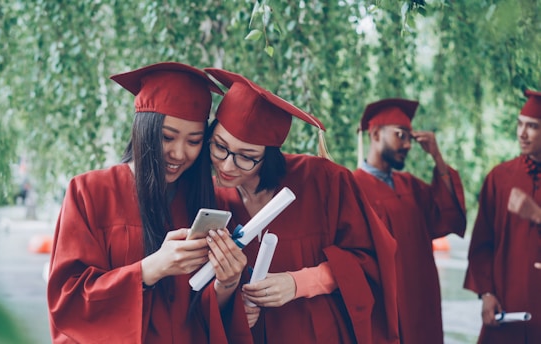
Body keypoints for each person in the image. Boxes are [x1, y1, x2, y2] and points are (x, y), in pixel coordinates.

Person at [47, 62, 252, 343]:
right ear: (144, 129)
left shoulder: (209, 203)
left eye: (194, 141)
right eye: (167, 137)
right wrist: (151, 269)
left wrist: (227, 284)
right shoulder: (89, 192)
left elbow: (206, 315)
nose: (179, 153)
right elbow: (68, 301)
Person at [204, 67, 400, 344]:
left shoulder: (324, 180)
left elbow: (370, 259)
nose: (226, 165)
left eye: (247, 157)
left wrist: (300, 283)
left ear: (269, 156)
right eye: (219, 146)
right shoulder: (210, 199)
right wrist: (232, 306)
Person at [352, 98, 467, 343]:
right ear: (375, 134)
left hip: (421, 299)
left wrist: (437, 156)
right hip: (383, 304)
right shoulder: (353, 188)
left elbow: (447, 215)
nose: (407, 145)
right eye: (400, 135)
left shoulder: (412, 186)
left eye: (409, 137)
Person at [464, 89, 541, 343]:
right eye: (519, 124)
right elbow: (481, 244)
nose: (522, 133)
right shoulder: (500, 178)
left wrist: (537, 215)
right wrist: (486, 293)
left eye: (532, 126)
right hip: (508, 309)